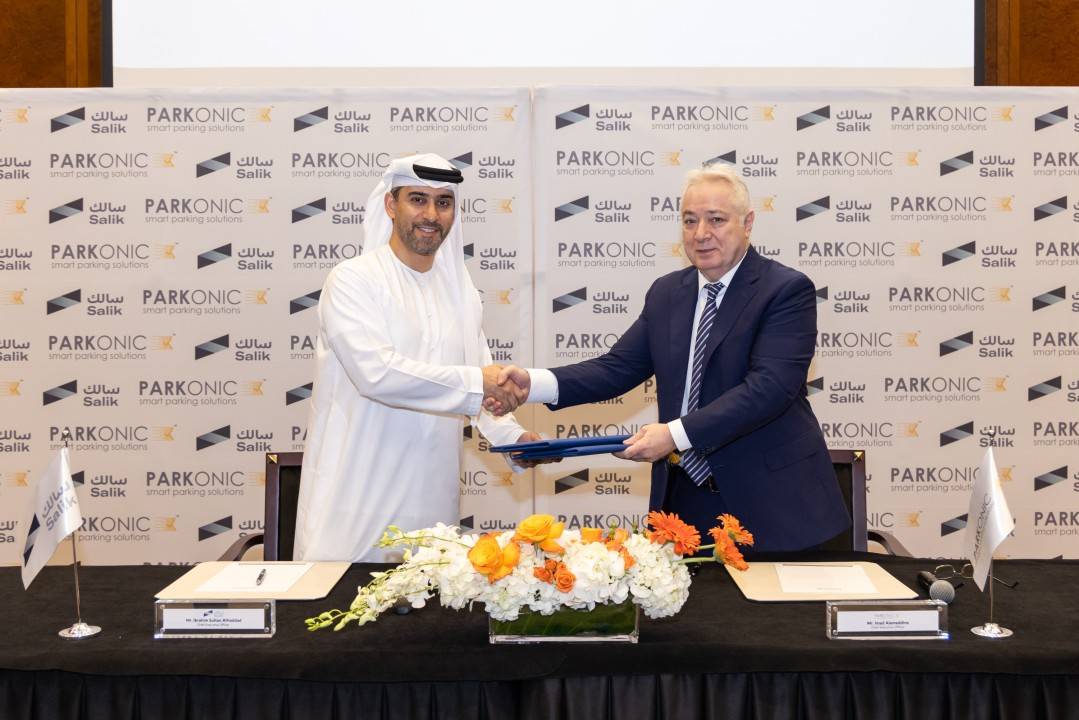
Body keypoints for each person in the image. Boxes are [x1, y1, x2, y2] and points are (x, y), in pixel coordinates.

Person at [494, 164, 849, 551]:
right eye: (690, 220)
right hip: (683, 503)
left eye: (716, 220)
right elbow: (618, 368)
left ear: (747, 223)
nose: (701, 234)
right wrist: (533, 384)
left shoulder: (785, 290)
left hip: (774, 507)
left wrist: (673, 435)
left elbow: (768, 389)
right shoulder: (667, 293)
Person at [295, 153, 532, 562]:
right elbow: (377, 374)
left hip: (433, 508)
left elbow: (482, 383)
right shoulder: (353, 280)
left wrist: (515, 439)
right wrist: (480, 384)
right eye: (418, 199)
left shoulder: (461, 293)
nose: (431, 215)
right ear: (391, 204)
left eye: (443, 202)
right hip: (355, 504)